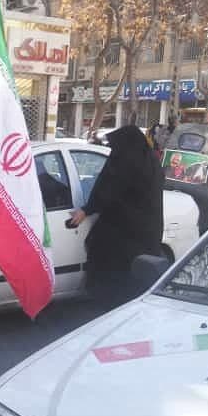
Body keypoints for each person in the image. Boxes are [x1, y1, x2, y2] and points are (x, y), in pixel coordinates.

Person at [69, 124, 163, 306]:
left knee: (113, 269)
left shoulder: (125, 162)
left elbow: (107, 188)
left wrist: (87, 209)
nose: (114, 151)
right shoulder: (150, 161)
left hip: (124, 230)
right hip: (148, 229)